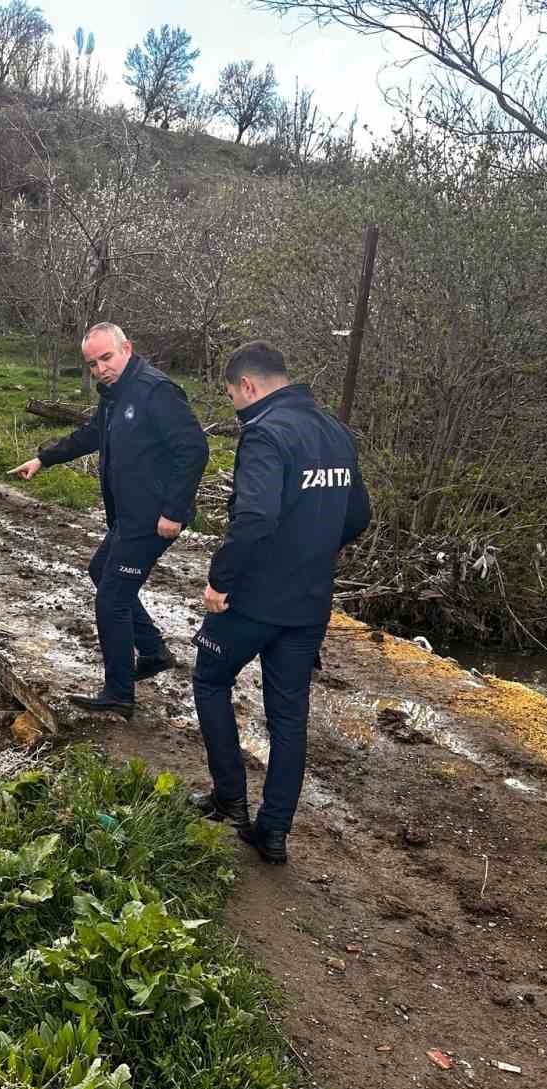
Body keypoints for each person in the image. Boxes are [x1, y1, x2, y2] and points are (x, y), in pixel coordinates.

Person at [194, 341, 370, 864]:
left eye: (232, 396)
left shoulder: (265, 434)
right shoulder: (336, 431)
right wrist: (313, 549)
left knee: (209, 679)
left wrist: (218, 583)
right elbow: (358, 514)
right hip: (309, 602)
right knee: (288, 718)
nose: (234, 407)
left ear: (248, 386)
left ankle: (229, 799)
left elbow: (253, 520)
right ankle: (273, 833)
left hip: (253, 600)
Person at [10, 322, 209, 719]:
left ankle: (119, 693)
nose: (100, 368)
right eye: (92, 363)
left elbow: (194, 449)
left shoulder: (156, 391)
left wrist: (173, 511)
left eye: (106, 358)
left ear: (127, 349)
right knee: (101, 570)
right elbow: (91, 434)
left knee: (112, 599)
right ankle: (152, 651)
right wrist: (43, 458)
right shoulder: (115, 395)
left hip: (153, 518)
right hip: (131, 514)